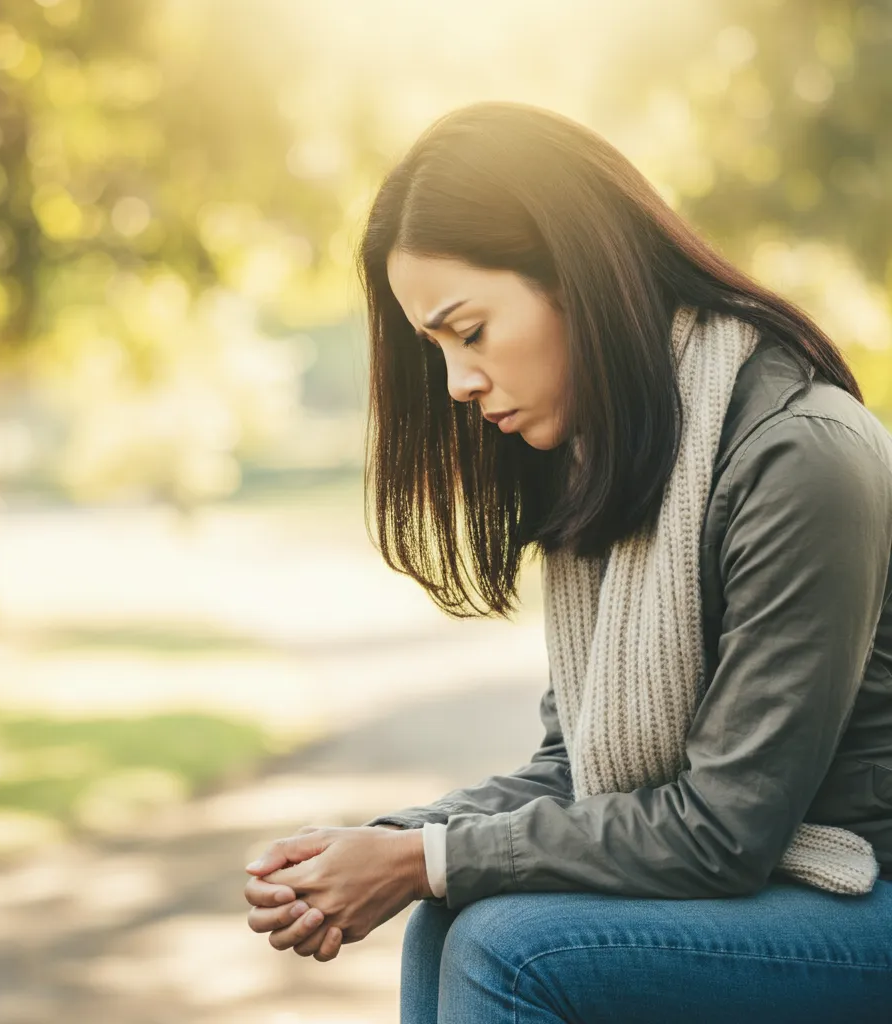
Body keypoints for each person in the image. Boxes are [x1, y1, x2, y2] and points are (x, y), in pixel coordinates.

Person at [242, 100, 892, 1022]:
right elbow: (570, 769)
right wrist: (385, 844)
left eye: (469, 332)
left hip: (867, 897)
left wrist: (424, 861)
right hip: (783, 888)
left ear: (579, 277)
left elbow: (723, 830)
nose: (459, 382)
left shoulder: (801, 458)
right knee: (449, 918)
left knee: (510, 950)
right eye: (438, 350)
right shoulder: (617, 461)